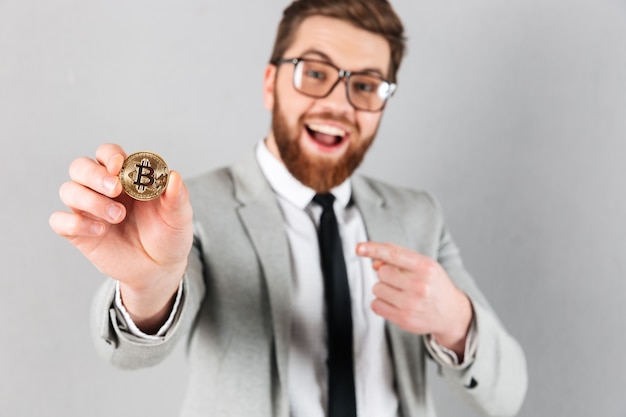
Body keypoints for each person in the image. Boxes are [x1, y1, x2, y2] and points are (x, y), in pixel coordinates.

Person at [49, 0, 527, 416]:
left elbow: (506, 397)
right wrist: (146, 287)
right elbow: (129, 354)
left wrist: (456, 321)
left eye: (365, 85)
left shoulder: (417, 215)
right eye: (315, 73)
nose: (339, 103)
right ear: (270, 84)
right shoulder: (187, 210)